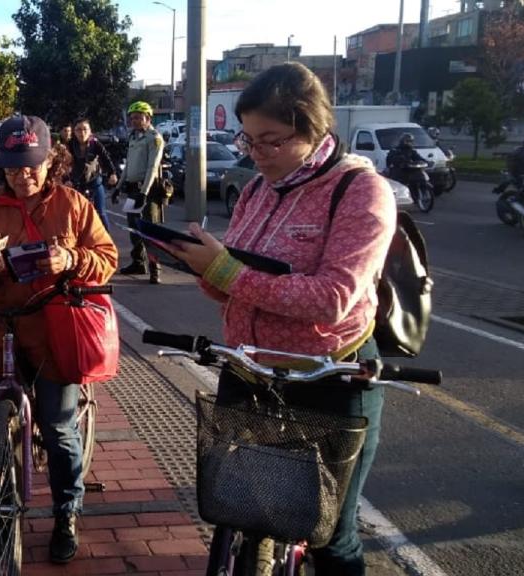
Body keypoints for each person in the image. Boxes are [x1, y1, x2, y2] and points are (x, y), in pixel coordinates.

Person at [165, 63, 396, 576]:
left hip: (329, 379)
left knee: (330, 535)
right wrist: (201, 267)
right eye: (249, 140)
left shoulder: (359, 191)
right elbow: (233, 288)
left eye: (271, 140)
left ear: (313, 129)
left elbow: (334, 297)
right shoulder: (255, 191)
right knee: (237, 508)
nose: (257, 154)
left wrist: (226, 269)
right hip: (250, 372)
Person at [0, 115, 117, 564]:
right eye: (12, 166)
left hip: (56, 334)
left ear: (51, 161)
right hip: (0, 330)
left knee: (59, 426)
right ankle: (5, 484)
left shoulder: (74, 204)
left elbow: (107, 258)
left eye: (32, 165)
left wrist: (71, 259)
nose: (22, 175)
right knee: (1, 422)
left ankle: (67, 512)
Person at [112, 100, 165, 284]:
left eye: (138, 117)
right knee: (133, 229)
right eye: (132, 117)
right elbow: (128, 166)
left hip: (148, 191)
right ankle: (138, 263)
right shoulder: (133, 137)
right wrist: (118, 187)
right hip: (133, 190)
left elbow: (152, 166)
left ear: (148, 118)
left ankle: (155, 268)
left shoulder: (154, 138)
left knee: (150, 232)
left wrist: (145, 192)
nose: (134, 121)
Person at [68, 119, 118, 231]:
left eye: (85, 129)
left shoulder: (95, 143)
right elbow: (64, 164)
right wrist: (67, 179)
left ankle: (107, 240)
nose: (82, 133)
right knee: (76, 214)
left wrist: (112, 173)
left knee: (101, 212)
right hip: (76, 185)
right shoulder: (70, 145)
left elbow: (106, 159)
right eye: (78, 130)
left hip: (95, 183)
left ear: (90, 131)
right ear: (74, 132)